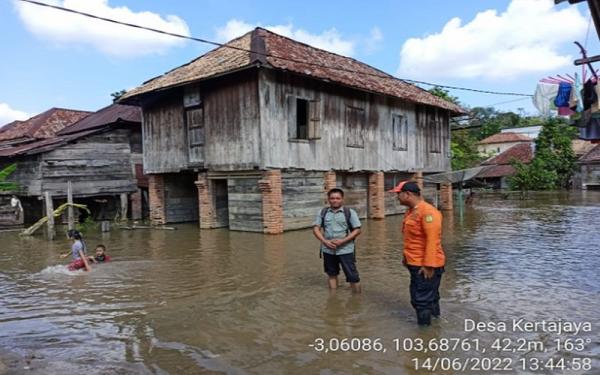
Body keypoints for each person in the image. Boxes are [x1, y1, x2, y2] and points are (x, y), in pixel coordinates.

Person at [391, 181, 445, 326]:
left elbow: (432, 240)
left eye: (398, 194)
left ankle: (424, 337)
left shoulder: (428, 212)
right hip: (414, 261)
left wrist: (429, 265)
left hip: (425, 265)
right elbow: (412, 239)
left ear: (407, 194)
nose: (397, 197)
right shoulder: (411, 211)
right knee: (430, 296)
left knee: (421, 300)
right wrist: (405, 257)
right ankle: (435, 324)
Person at [312, 188, 362, 293]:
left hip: (346, 250)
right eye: (332, 198)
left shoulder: (349, 212)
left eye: (337, 198)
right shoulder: (323, 212)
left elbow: (357, 230)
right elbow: (316, 228)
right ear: (328, 200)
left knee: (352, 276)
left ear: (342, 199)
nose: (335, 200)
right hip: (328, 250)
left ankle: (357, 300)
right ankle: (333, 298)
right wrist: (324, 241)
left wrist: (342, 241)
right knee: (332, 274)